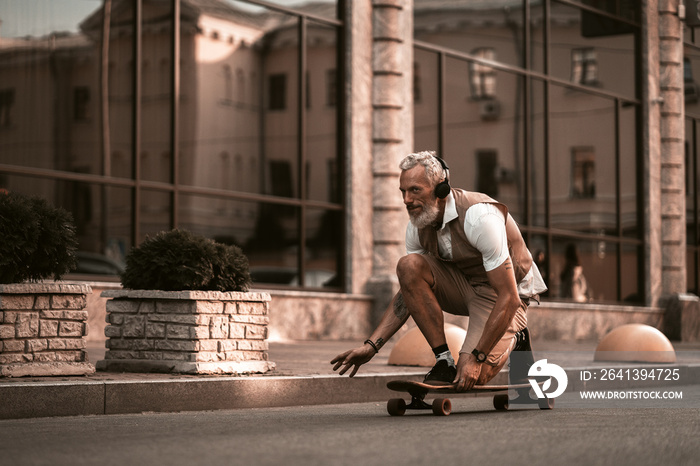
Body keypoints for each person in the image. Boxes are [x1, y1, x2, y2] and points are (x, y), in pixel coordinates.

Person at [331, 151, 547, 391]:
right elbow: (408, 291)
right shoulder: (418, 225)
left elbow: (509, 297)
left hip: (504, 294)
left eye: (415, 190)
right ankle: (443, 360)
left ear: (440, 189)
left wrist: (477, 357)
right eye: (403, 191)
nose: (406, 200)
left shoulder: (479, 217)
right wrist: (372, 345)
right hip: (463, 285)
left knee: (473, 373)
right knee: (408, 265)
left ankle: (517, 336)